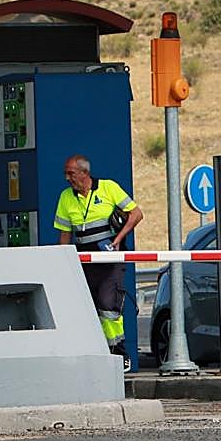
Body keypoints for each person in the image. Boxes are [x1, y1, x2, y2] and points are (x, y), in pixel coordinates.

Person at [53, 154, 143, 363]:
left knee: (107, 303)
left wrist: (118, 240)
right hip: (84, 263)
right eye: (66, 174)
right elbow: (65, 235)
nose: (67, 178)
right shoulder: (66, 197)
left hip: (110, 261)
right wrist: (62, 263)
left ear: (85, 173)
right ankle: (98, 354)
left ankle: (119, 352)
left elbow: (136, 214)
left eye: (71, 173)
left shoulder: (108, 188)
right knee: (87, 308)